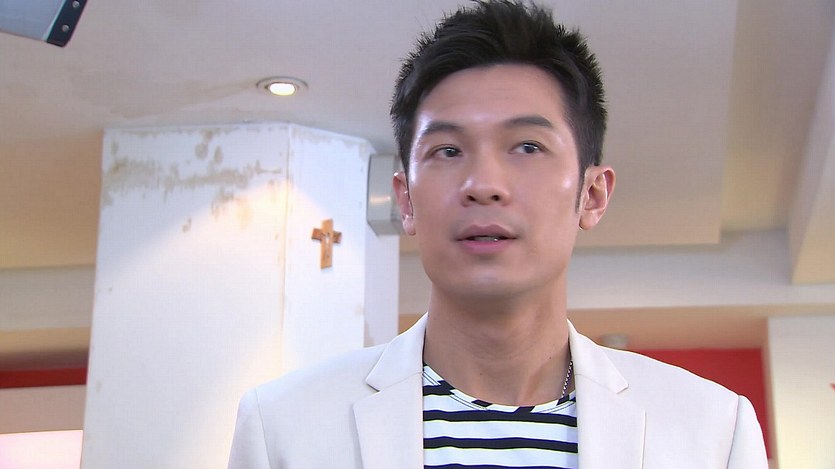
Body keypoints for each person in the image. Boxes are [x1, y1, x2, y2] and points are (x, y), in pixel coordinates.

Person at [228, 1, 769, 467]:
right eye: (447, 151)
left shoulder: (711, 430)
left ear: (592, 195)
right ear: (406, 200)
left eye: (528, 147)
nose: (483, 184)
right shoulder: (284, 428)